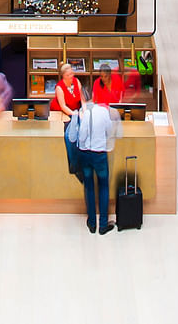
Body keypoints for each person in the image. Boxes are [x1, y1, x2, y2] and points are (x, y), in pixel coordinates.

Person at [68, 97, 121, 234]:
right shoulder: (104, 113)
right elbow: (109, 132)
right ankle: (103, 225)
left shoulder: (85, 113)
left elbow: (81, 136)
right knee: (103, 186)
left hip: (86, 155)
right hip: (100, 155)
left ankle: (92, 223)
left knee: (89, 187)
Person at [52, 62, 84, 177]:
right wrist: (74, 114)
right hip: (64, 113)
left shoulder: (76, 81)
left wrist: (83, 110)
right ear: (64, 76)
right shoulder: (59, 87)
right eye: (69, 75)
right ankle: (74, 165)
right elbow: (63, 106)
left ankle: (83, 162)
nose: (72, 76)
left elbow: (82, 98)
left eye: (72, 73)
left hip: (77, 111)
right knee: (69, 136)